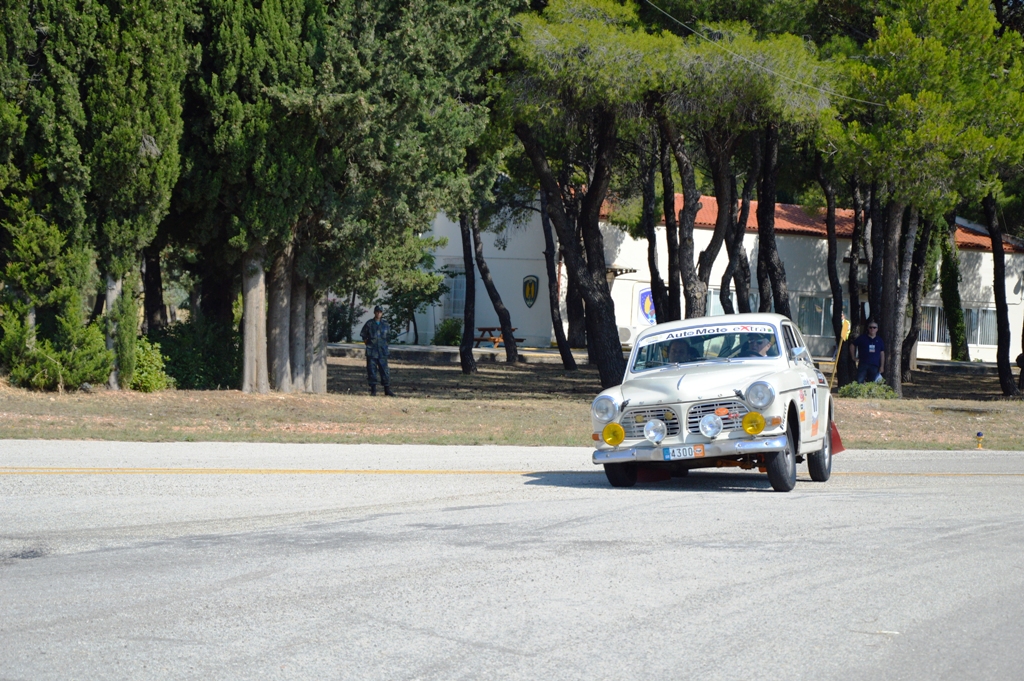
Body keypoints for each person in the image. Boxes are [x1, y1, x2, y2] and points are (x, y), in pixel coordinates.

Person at [360, 305, 395, 396]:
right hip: (372, 351)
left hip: (382, 351)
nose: (378, 313)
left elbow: (388, 337)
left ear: (382, 313)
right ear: (374, 312)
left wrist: (384, 345)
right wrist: (369, 344)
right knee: (372, 370)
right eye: (377, 311)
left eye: (380, 312)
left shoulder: (385, 324)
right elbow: (364, 335)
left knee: (385, 370)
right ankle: (373, 390)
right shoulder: (369, 323)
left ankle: (387, 390)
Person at [851, 319, 885, 383]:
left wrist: (882, 366)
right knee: (859, 382)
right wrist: (853, 357)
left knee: (872, 383)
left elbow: (882, 353)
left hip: (874, 365)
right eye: (870, 327)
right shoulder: (862, 338)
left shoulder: (879, 340)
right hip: (863, 364)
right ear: (868, 328)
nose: (872, 329)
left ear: (877, 329)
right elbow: (852, 345)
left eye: (874, 327)